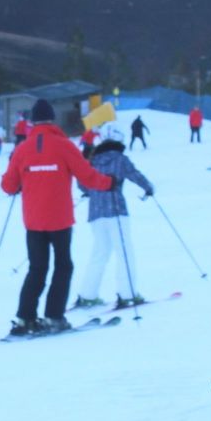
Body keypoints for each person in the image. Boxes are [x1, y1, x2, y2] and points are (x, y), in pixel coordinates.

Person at [0, 98, 112, 335]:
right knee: (63, 266)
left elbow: (8, 186)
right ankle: (53, 316)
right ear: (52, 119)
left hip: (33, 221)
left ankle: (25, 317)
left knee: (37, 268)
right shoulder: (64, 145)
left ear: (32, 122)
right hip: (60, 219)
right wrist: (109, 183)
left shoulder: (22, 149)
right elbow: (87, 176)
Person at [70, 127, 154, 312]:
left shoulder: (93, 160)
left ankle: (88, 294)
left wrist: (91, 192)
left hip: (95, 214)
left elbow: (82, 183)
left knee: (99, 253)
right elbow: (135, 175)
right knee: (124, 252)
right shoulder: (119, 158)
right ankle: (128, 294)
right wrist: (148, 188)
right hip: (116, 210)